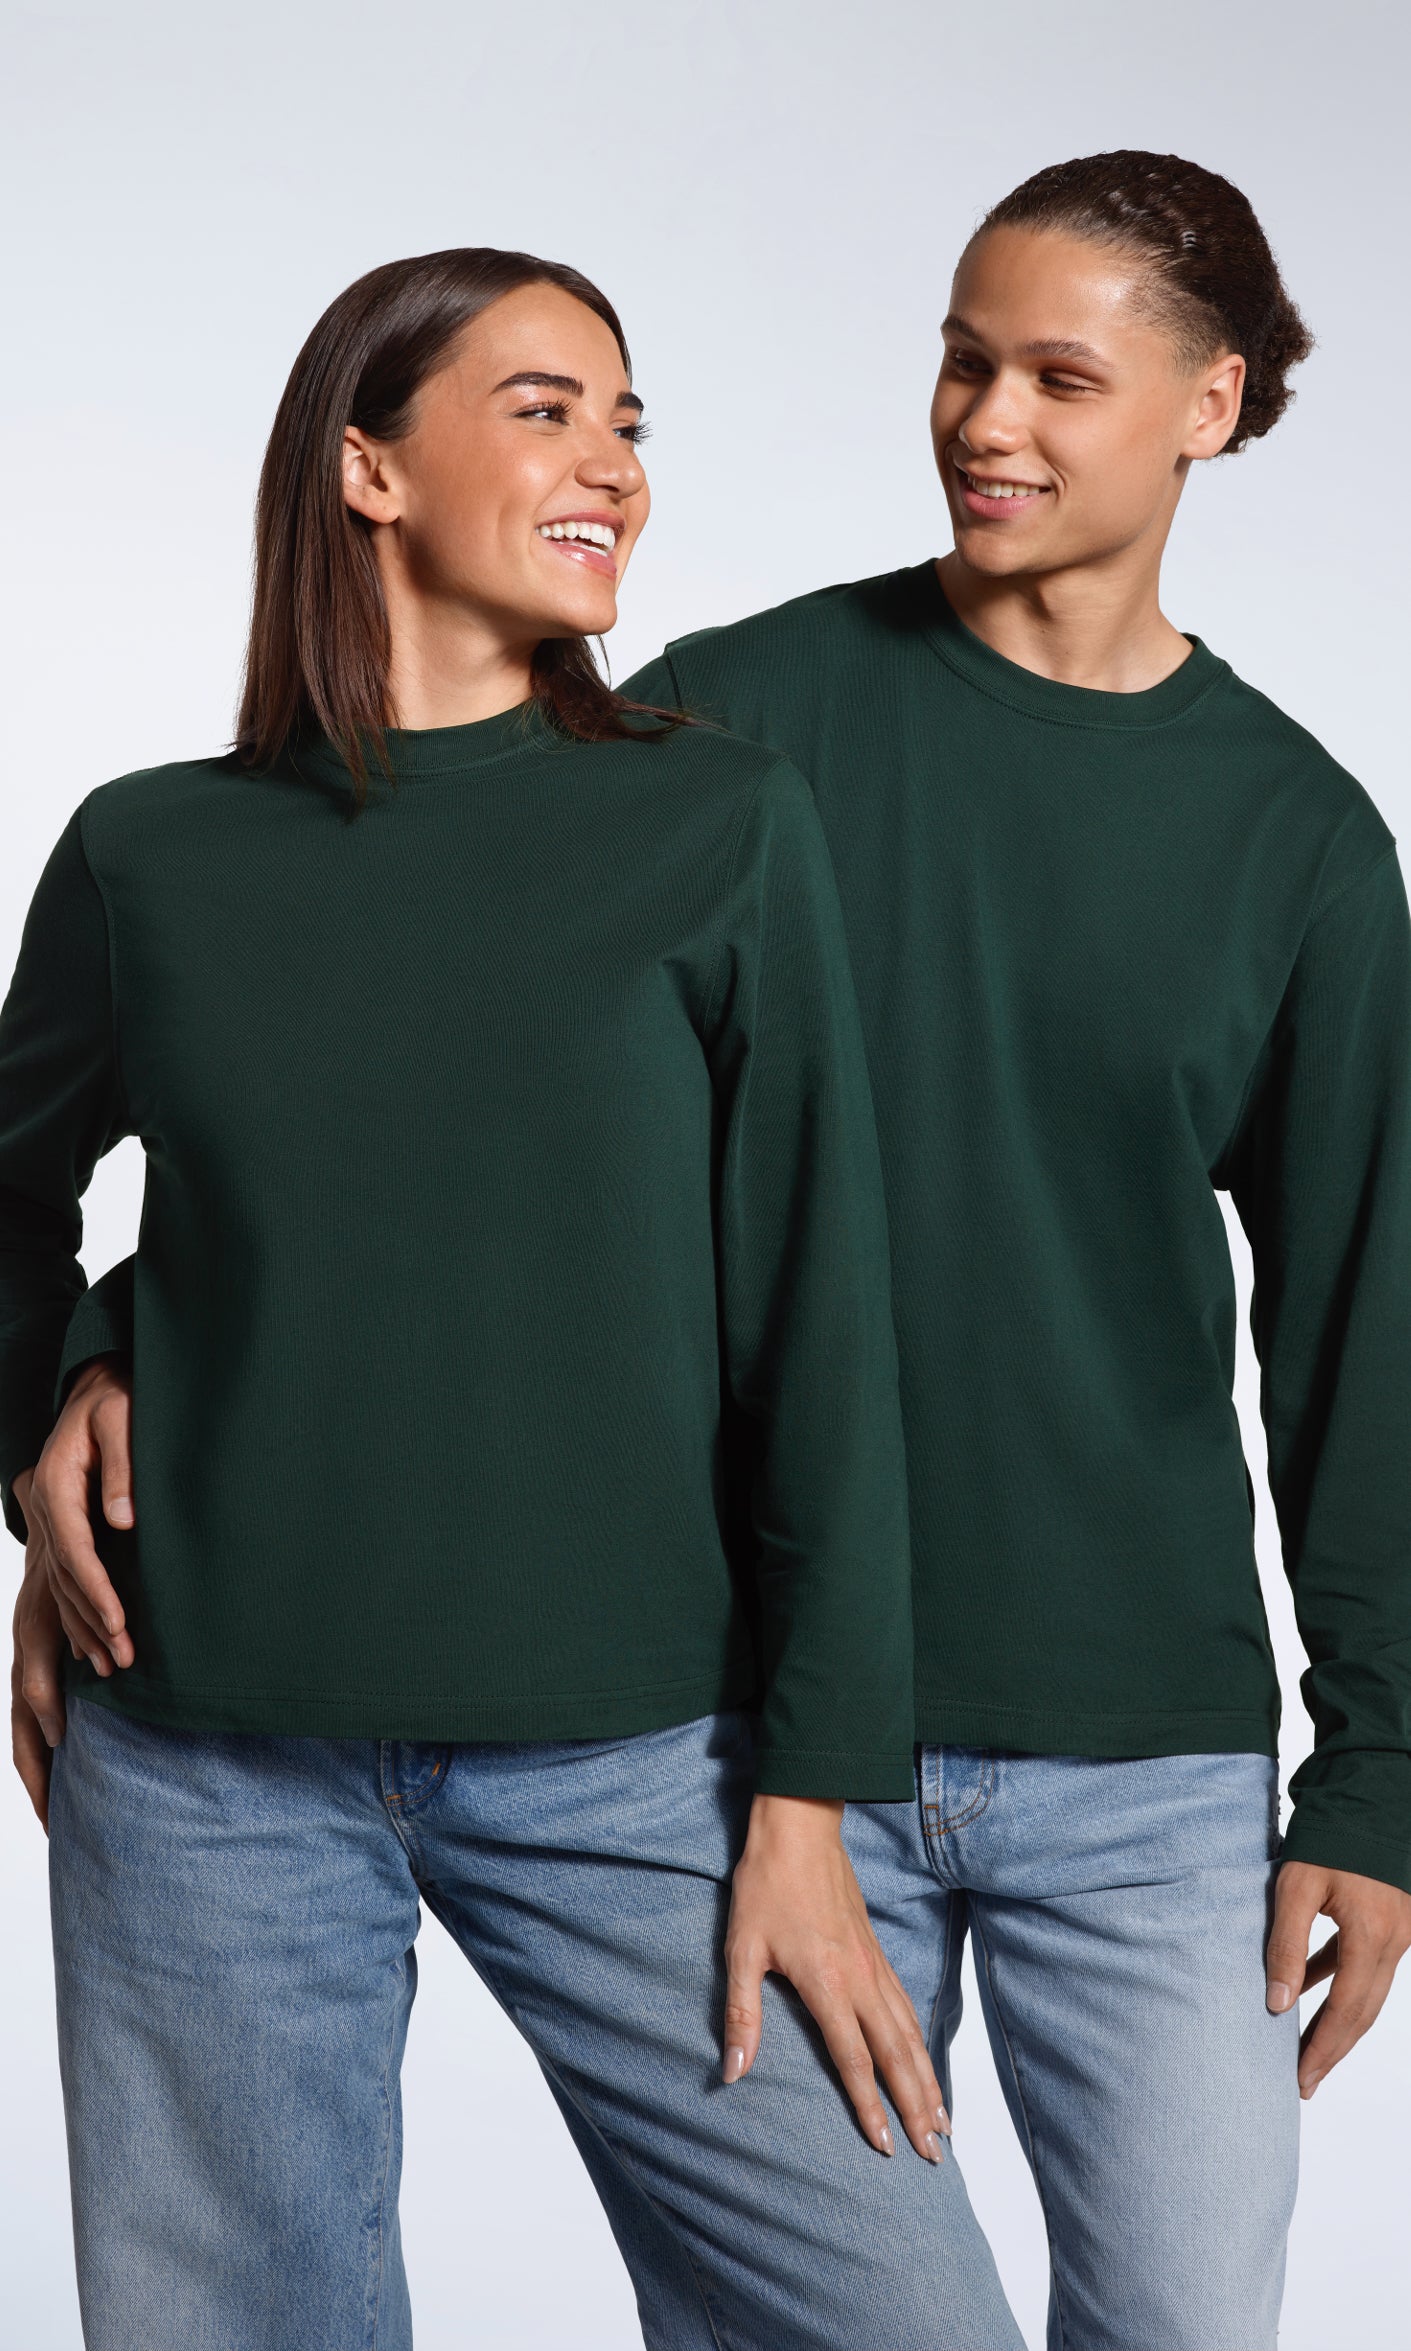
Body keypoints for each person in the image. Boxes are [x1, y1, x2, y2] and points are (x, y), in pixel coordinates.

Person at [19, 151, 1411, 2347]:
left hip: (1058, 1733)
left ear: (1208, 407)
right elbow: (423, 1088)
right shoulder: (714, 729)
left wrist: (1380, 1765)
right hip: (639, 1710)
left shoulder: (1288, 837)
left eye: (1057, 374)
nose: (984, 420)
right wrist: (113, 1374)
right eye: (961, 360)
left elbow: (1358, 1334)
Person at [0, 247, 1023, 2351]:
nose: (615, 467)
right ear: (367, 469)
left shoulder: (717, 821)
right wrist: (56, 1405)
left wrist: (809, 1802)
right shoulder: (150, 855)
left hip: (640, 1754)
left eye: (629, 422)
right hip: (201, 1765)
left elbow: (818, 1318)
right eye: (549, 407)